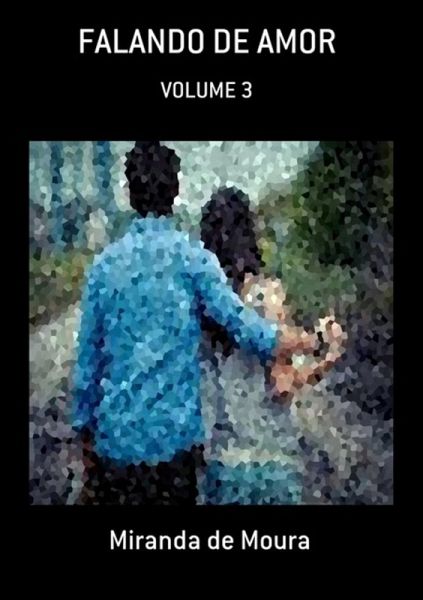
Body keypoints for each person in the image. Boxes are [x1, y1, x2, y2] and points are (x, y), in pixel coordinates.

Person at [71, 142, 314, 505]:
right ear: (176, 190)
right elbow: (245, 327)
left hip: (117, 445)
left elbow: (87, 367)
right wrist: (309, 340)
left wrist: (87, 443)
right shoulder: (194, 261)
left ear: (129, 192)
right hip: (175, 448)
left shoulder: (104, 268)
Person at [197, 187, 346, 504]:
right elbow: (283, 385)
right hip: (271, 459)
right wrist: (328, 357)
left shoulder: (203, 305)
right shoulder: (265, 294)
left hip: (221, 462)